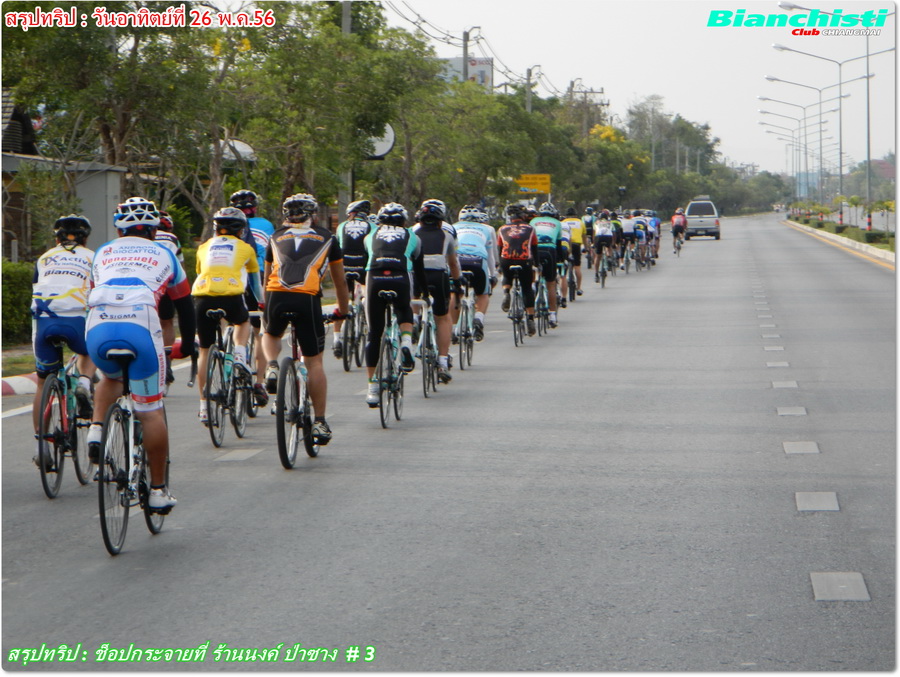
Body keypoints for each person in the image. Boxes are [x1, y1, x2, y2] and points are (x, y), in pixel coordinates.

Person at [85, 199, 196, 512]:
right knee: (150, 411)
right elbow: (184, 305)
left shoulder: (102, 251)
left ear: (119, 230)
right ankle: (158, 491)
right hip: (141, 327)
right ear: (154, 230)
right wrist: (187, 345)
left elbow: (92, 293)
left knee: (110, 377)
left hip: (98, 329)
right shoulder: (165, 253)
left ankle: (96, 430)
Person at [261, 193, 350, 444]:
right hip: (307, 298)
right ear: (313, 215)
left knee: (270, 333)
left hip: (277, 294)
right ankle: (320, 422)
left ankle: (272, 365)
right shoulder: (327, 237)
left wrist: (268, 308)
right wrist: (343, 311)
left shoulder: (275, 236)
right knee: (314, 362)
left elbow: (266, 277)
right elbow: (340, 282)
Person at [30, 215, 98, 469]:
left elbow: (36, 287)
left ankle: (41, 445)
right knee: (89, 350)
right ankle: (84, 382)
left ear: (57, 239)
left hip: (45, 323)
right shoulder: (92, 257)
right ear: (85, 238)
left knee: (42, 383)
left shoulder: (44, 257)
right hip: (77, 320)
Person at [191, 207, 262, 423]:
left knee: (205, 350)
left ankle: (203, 406)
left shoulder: (203, 247)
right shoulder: (246, 248)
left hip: (202, 297)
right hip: (231, 297)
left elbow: (200, 271)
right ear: (241, 230)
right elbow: (255, 283)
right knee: (242, 322)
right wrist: (262, 302)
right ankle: (239, 353)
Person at [362, 203, 427, 406]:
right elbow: (419, 268)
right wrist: (424, 293)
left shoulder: (370, 235)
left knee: (374, 334)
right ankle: (406, 343)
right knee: (403, 308)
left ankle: (372, 388)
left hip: (375, 278)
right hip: (400, 277)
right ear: (404, 221)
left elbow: (366, 259)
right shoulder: (412, 236)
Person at [230, 189, 274, 406]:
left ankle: (229, 359)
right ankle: (259, 382)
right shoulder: (266, 224)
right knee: (259, 333)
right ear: (255, 207)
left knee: (231, 323)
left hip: (233, 278)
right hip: (259, 277)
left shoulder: (225, 223)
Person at [411, 199, 461, 384]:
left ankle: (415, 320)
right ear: (440, 221)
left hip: (417, 275)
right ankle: (442, 361)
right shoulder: (446, 235)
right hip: (438, 276)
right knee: (443, 317)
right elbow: (453, 264)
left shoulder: (412, 234)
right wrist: (457, 283)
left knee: (414, 297)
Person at [332, 199, 373, 358]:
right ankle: (369, 327)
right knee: (368, 296)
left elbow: (337, 246)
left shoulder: (341, 226)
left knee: (341, 301)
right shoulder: (372, 226)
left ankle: (337, 339)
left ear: (351, 213)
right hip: (363, 266)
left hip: (344, 266)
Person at [452, 205, 498, 342]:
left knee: (454, 293)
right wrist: (493, 275)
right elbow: (490, 256)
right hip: (477, 261)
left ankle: (453, 328)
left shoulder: (453, 227)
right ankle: (479, 318)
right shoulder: (486, 229)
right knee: (483, 294)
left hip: (458, 261)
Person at [154, 209, 184, 390]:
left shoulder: (140, 239)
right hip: (166, 285)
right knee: (167, 323)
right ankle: (166, 361)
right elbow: (180, 267)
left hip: (144, 286)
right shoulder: (173, 239)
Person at [498, 204, 539, 336]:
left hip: (506, 259)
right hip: (524, 260)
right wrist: (537, 264)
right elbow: (534, 248)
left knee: (507, 275)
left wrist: (500, 265)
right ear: (523, 216)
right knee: (527, 288)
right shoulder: (530, 228)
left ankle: (506, 292)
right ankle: (530, 318)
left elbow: (500, 248)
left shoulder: (502, 229)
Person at [529, 202, 565, 328]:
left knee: (533, 273)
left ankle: (533, 287)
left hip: (535, 250)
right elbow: (559, 245)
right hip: (550, 250)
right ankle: (552, 315)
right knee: (551, 284)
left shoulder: (533, 221)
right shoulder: (557, 223)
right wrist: (561, 260)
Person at [561, 207, 585, 296]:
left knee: (564, 268)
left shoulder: (563, 222)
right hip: (576, 245)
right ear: (575, 214)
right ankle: (579, 288)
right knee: (577, 267)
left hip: (566, 244)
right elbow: (584, 236)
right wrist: (586, 247)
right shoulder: (580, 222)